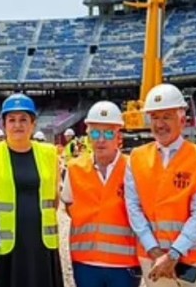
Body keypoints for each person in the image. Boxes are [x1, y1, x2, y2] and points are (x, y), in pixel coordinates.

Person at [124, 84, 196, 287]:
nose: (160, 124)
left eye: (167, 117)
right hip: (154, 259)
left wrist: (174, 253)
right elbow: (134, 208)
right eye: (155, 117)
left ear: (182, 120)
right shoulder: (136, 158)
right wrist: (155, 250)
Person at [0, 94, 63, 287]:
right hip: (4, 246)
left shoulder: (49, 153)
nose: (18, 125)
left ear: (33, 124)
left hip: (40, 243)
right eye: (12, 120)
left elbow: (54, 198)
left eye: (23, 119)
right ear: (3, 124)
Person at [62, 101, 140, 287]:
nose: (101, 139)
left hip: (125, 263)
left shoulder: (133, 168)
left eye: (108, 133)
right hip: (85, 261)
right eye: (95, 133)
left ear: (118, 136)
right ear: (88, 136)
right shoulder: (75, 169)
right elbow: (68, 205)